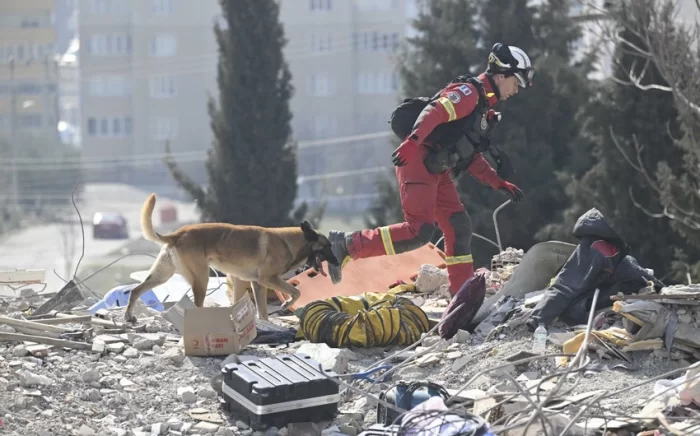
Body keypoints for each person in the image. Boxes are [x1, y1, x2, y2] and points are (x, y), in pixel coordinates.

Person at [327, 43, 534, 297]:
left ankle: (463, 298)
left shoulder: (482, 106)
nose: (517, 90)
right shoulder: (468, 93)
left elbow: (470, 156)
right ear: (501, 75)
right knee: (418, 231)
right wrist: (412, 143)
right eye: (516, 82)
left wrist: (498, 182)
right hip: (417, 161)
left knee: (458, 227)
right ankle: (347, 244)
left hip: (436, 168)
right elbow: (435, 112)